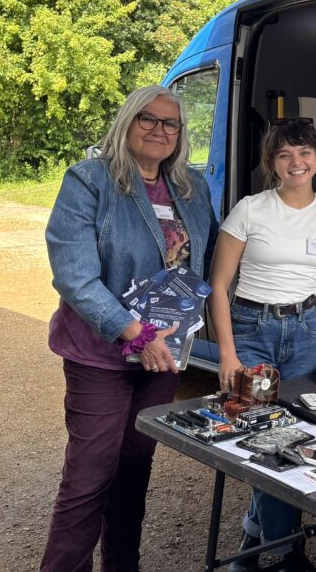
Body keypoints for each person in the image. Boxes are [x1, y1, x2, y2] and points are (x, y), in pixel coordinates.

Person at [42, 85, 218, 572]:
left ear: (181, 136)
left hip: (162, 358)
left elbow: (212, 260)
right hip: (101, 357)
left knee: (134, 471)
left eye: (171, 124)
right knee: (88, 479)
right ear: (127, 122)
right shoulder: (90, 181)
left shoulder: (192, 188)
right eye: (148, 119)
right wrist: (135, 333)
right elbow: (74, 274)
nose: (160, 130)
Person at [208, 119, 316, 572]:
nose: (297, 162)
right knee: (263, 440)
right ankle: (288, 554)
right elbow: (218, 285)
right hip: (253, 331)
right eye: (285, 154)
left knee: (300, 438)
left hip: (307, 333)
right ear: (272, 163)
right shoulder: (250, 209)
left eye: (305, 152)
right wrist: (227, 353)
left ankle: (251, 539)